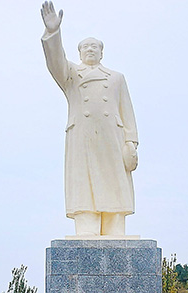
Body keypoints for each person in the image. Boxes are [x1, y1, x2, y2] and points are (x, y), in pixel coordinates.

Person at [40, 1, 139, 237]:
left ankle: (115, 228)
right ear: (79, 53)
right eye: (86, 47)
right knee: (83, 184)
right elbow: (55, 63)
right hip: (82, 137)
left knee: (114, 184)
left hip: (111, 139)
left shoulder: (116, 78)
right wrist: (53, 32)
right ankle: (86, 226)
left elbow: (128, 112)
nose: (90, 50)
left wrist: (131, 143)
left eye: (94, 47)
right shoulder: (71, 75)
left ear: (102, 52)